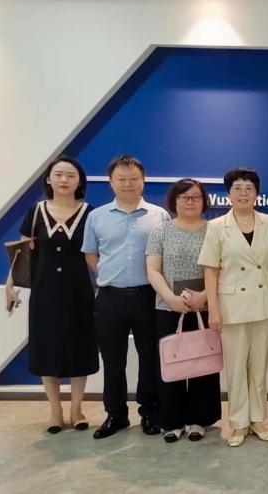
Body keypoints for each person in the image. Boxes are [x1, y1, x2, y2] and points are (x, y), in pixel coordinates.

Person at [6, 156, 97, 434]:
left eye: (70, 175)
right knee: (47, 349)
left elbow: (96, 254)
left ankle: (77, 409)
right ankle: (55, 411)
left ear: (79, 181)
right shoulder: (35, 212)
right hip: (44, 293)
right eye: (58, 174)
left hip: (79, 292)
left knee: (79, 348)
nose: (64, 180)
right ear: (48, 179)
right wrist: (9, 286)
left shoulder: (90, 213)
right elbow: (22, 254)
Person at [82, 155, 170, 439]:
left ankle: (150, 413)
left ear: (143, 180)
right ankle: (116, 414)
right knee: (113, 359)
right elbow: (91, 254)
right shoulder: (97, 216)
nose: (128, 184)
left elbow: (166, 255)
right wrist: (111, 275)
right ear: (111, 182)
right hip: (110, 297)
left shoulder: (159, 215)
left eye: (134, 178)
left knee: (150, 357)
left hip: (148, 296)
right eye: (121, 179)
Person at [198, 168, 268, 448]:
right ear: (228, 194)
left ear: (257, 193)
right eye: (237, 188)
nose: (243, 193)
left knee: (258, 366)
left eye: (249, 188)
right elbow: (211, 269)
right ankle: (238, 423)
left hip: (263, 301)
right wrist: (213, 309)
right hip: (231, 305)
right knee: (235, 368)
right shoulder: (216, 226)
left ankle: (257, 419)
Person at [146, 179, 221, 443]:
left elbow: (223, 269)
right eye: (184, 197)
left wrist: (204, 297)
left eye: (195, 197)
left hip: (206, 306)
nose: (190, 201)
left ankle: (199, 420)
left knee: (203, 362)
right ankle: (172, 421)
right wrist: (170, 298)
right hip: (168, 307)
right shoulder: (161, 231)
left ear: (204, 201)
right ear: (174, 201)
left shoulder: (215, 230)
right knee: (172, 363)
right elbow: (153, 270)